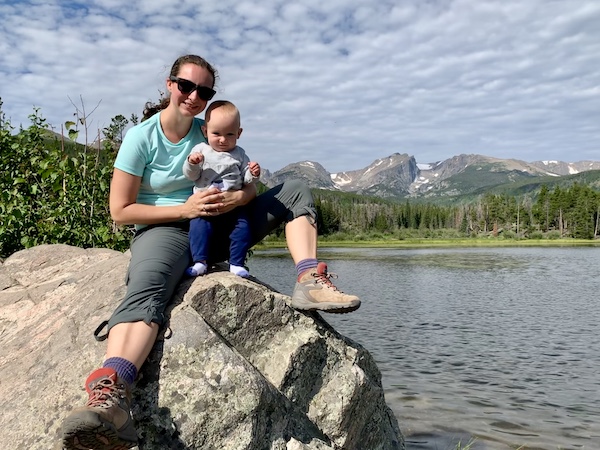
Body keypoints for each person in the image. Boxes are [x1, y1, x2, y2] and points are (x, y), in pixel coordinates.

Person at [60, 54, 361, 450]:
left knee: (296, 191)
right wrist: (184, 209)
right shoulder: (142, 137)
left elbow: (248, 187)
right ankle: (112, 398)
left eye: (204, 90)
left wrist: (239, 196)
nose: (194, 96)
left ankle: (309, 278)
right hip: (165, 230)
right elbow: (120, 210)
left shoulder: (215, 129)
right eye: (186, 86)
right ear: (170, 85)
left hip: (222, 225)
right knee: (148, 290)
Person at [184, 100, 260, 278]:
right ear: (205, 131)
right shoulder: (201, 150)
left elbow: (246, 179)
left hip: (233, 208)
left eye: (229, 134)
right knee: (198, 228)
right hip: (205, 206)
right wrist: (192, 163)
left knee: (242, 229)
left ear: (239, 133)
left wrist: (253, 173)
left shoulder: (239, 154)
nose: (223, 139)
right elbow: (191, 176)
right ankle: (200, 262)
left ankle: (236, 263)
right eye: (216, 133)